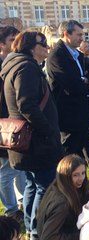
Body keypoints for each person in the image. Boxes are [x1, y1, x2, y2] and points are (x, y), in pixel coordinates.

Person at [0, 31, 64, 239]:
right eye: (42, 43)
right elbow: (26, 104)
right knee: (44, 186)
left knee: (32, 184)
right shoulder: (26, 67)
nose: (46, 46)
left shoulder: (20, 65)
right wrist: (47, 129)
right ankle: (36, 230)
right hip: (36, 141)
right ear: (30, 46)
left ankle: (31, 228)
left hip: (29, 141)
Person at [46, 20, 89, 166]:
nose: (82, 38)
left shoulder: (78, 55)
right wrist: (83, 82)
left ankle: (78, 184)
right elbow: (72, 85)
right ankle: (66, 185)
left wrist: (84, 80)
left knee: (78, 155)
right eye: (79, 34)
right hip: (67, 114)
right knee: (68, 154)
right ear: (66, 34)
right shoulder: (57, 56)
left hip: (81, 111)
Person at [0, 26, 25, 223]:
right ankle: (10, 209)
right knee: (6, 170)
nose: (15, 43)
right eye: (11, 40)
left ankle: (22, 200)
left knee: (19, 166)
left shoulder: (14, 63)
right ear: (2, 44)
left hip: (16, 123)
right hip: (3, 126)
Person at [37, 155, 89, 239]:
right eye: (75, 175)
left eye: (83, 173)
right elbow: (48, 237)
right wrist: (84, 233)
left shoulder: (59, 185)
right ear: (66, 176)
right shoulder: (62, 203)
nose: (81, 178)